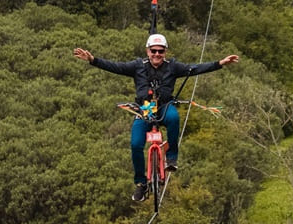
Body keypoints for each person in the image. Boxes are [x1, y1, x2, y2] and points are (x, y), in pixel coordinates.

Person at [74, 34, 239, 201]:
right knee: (136, 144)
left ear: (165, 52)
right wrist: (93, 60)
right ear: (148, 51)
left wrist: (219, 63)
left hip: (164, 106)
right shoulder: (138, 66)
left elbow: (194, 68)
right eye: (154, 51)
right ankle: (141, 183)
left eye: (161, 51)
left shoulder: (173, 66)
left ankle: (171, 158)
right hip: (144, 109)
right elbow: (116, 67)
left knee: (173, 118)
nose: (157, 54)